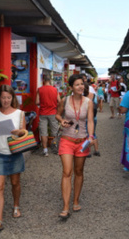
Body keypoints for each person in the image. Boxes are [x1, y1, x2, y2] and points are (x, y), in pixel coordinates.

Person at [0, 85, 27, 232]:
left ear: (12, 98)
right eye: (3, 97)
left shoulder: (20, 113)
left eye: (9, 97)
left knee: (15, 183)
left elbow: (24, 132)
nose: (6, 100)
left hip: (14, 153)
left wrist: (18, 131)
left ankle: (16, 205)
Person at [55, 74, 95, 220]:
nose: (80, 87)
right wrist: (62, 120)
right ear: (71, 87)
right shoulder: (65, 100)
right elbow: (57, 115)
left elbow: (90, 121)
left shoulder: (88, 102)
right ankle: (65, 207)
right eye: (77, 84)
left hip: (82, 141)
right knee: (67, 172)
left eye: (82, 84)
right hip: (66, 139)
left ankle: (76, 200)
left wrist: (91, 136)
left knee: (79, 171)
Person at [36, 75, 61, 156]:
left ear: (43, 80)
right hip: (53, 113)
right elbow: (59, 101)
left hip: (43, 113)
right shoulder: (55, 89)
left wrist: (43, 102)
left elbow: (36, 102)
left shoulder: (40, 89)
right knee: (54, 131)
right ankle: (55, 148)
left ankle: (45, 150)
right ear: (50, 80)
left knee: (43, 132)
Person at [84, 82, 100, 157]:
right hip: (94, 117)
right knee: (93, 133)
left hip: (86, 117)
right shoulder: (93, 95)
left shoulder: (82, 96)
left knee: (86, 134)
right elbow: (97, 103)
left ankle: (88, 151)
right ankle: (96, 150)